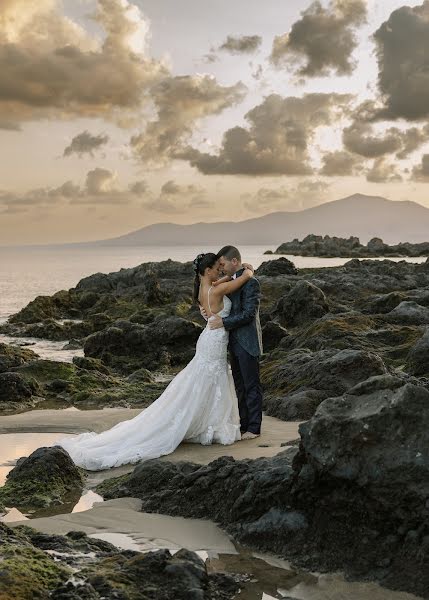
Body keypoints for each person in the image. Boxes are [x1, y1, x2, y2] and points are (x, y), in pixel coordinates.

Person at [53, 252, 254, 471]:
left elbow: (222, 282)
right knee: (210, 378)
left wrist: (227, 277)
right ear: (207, 271)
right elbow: (244, 279)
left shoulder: (203, 290)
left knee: (203, 380)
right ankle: (208, 426)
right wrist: (248, 269)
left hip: (209, 338)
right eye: (217, 268)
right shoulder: (216, 290)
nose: (220, 272)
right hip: (214, 339)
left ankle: (205, 424)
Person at [204, 246, 263, 440]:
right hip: (231, 342)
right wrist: (207, 311)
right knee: (240, 386)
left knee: (251, 385)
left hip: (247, 341)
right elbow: (212, 293)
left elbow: (249, 314)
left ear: (234, 262)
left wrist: (224, 322)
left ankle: (254, 428)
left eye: (223, 264)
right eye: (218, 265)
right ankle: (244, 425)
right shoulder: (232, 280)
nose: (221, 268)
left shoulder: (251, 283)